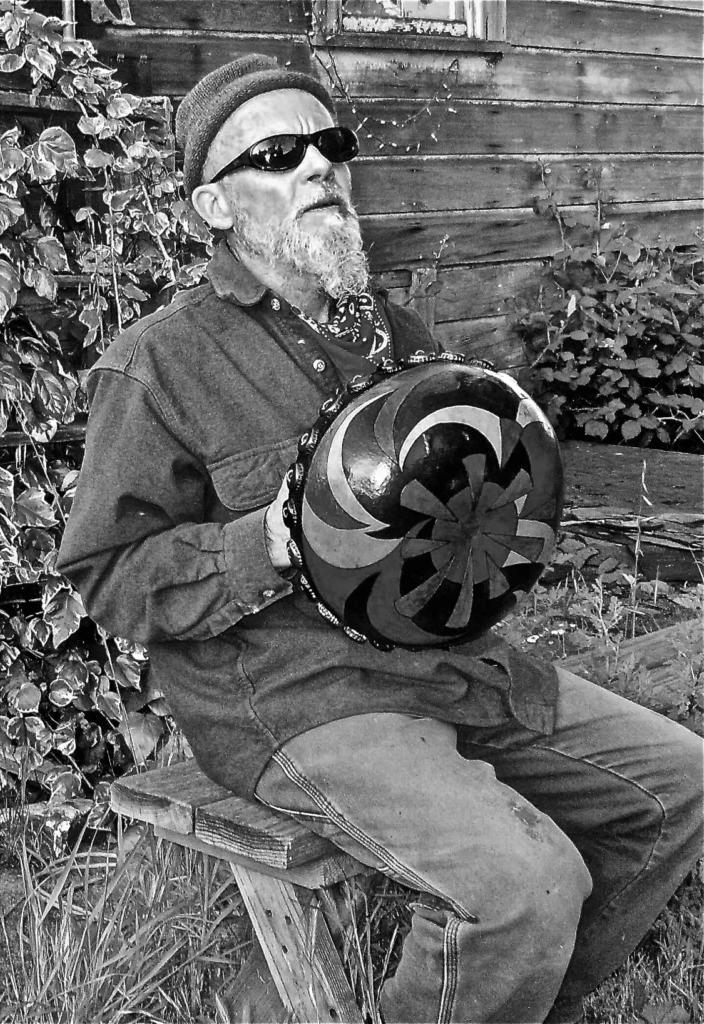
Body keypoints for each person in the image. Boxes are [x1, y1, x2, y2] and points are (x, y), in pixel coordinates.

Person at [58, 54, 703, 1024]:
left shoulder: (396, 334)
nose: (318, 166)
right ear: (215, 207)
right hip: (298, 699)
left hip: (448, 662)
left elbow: (469, 499)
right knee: (526, 883)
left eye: (332, 146)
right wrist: (269, 539)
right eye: (278, 153)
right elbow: (105, 576)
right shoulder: (156, 363)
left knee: (679, 786)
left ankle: (520, 998)